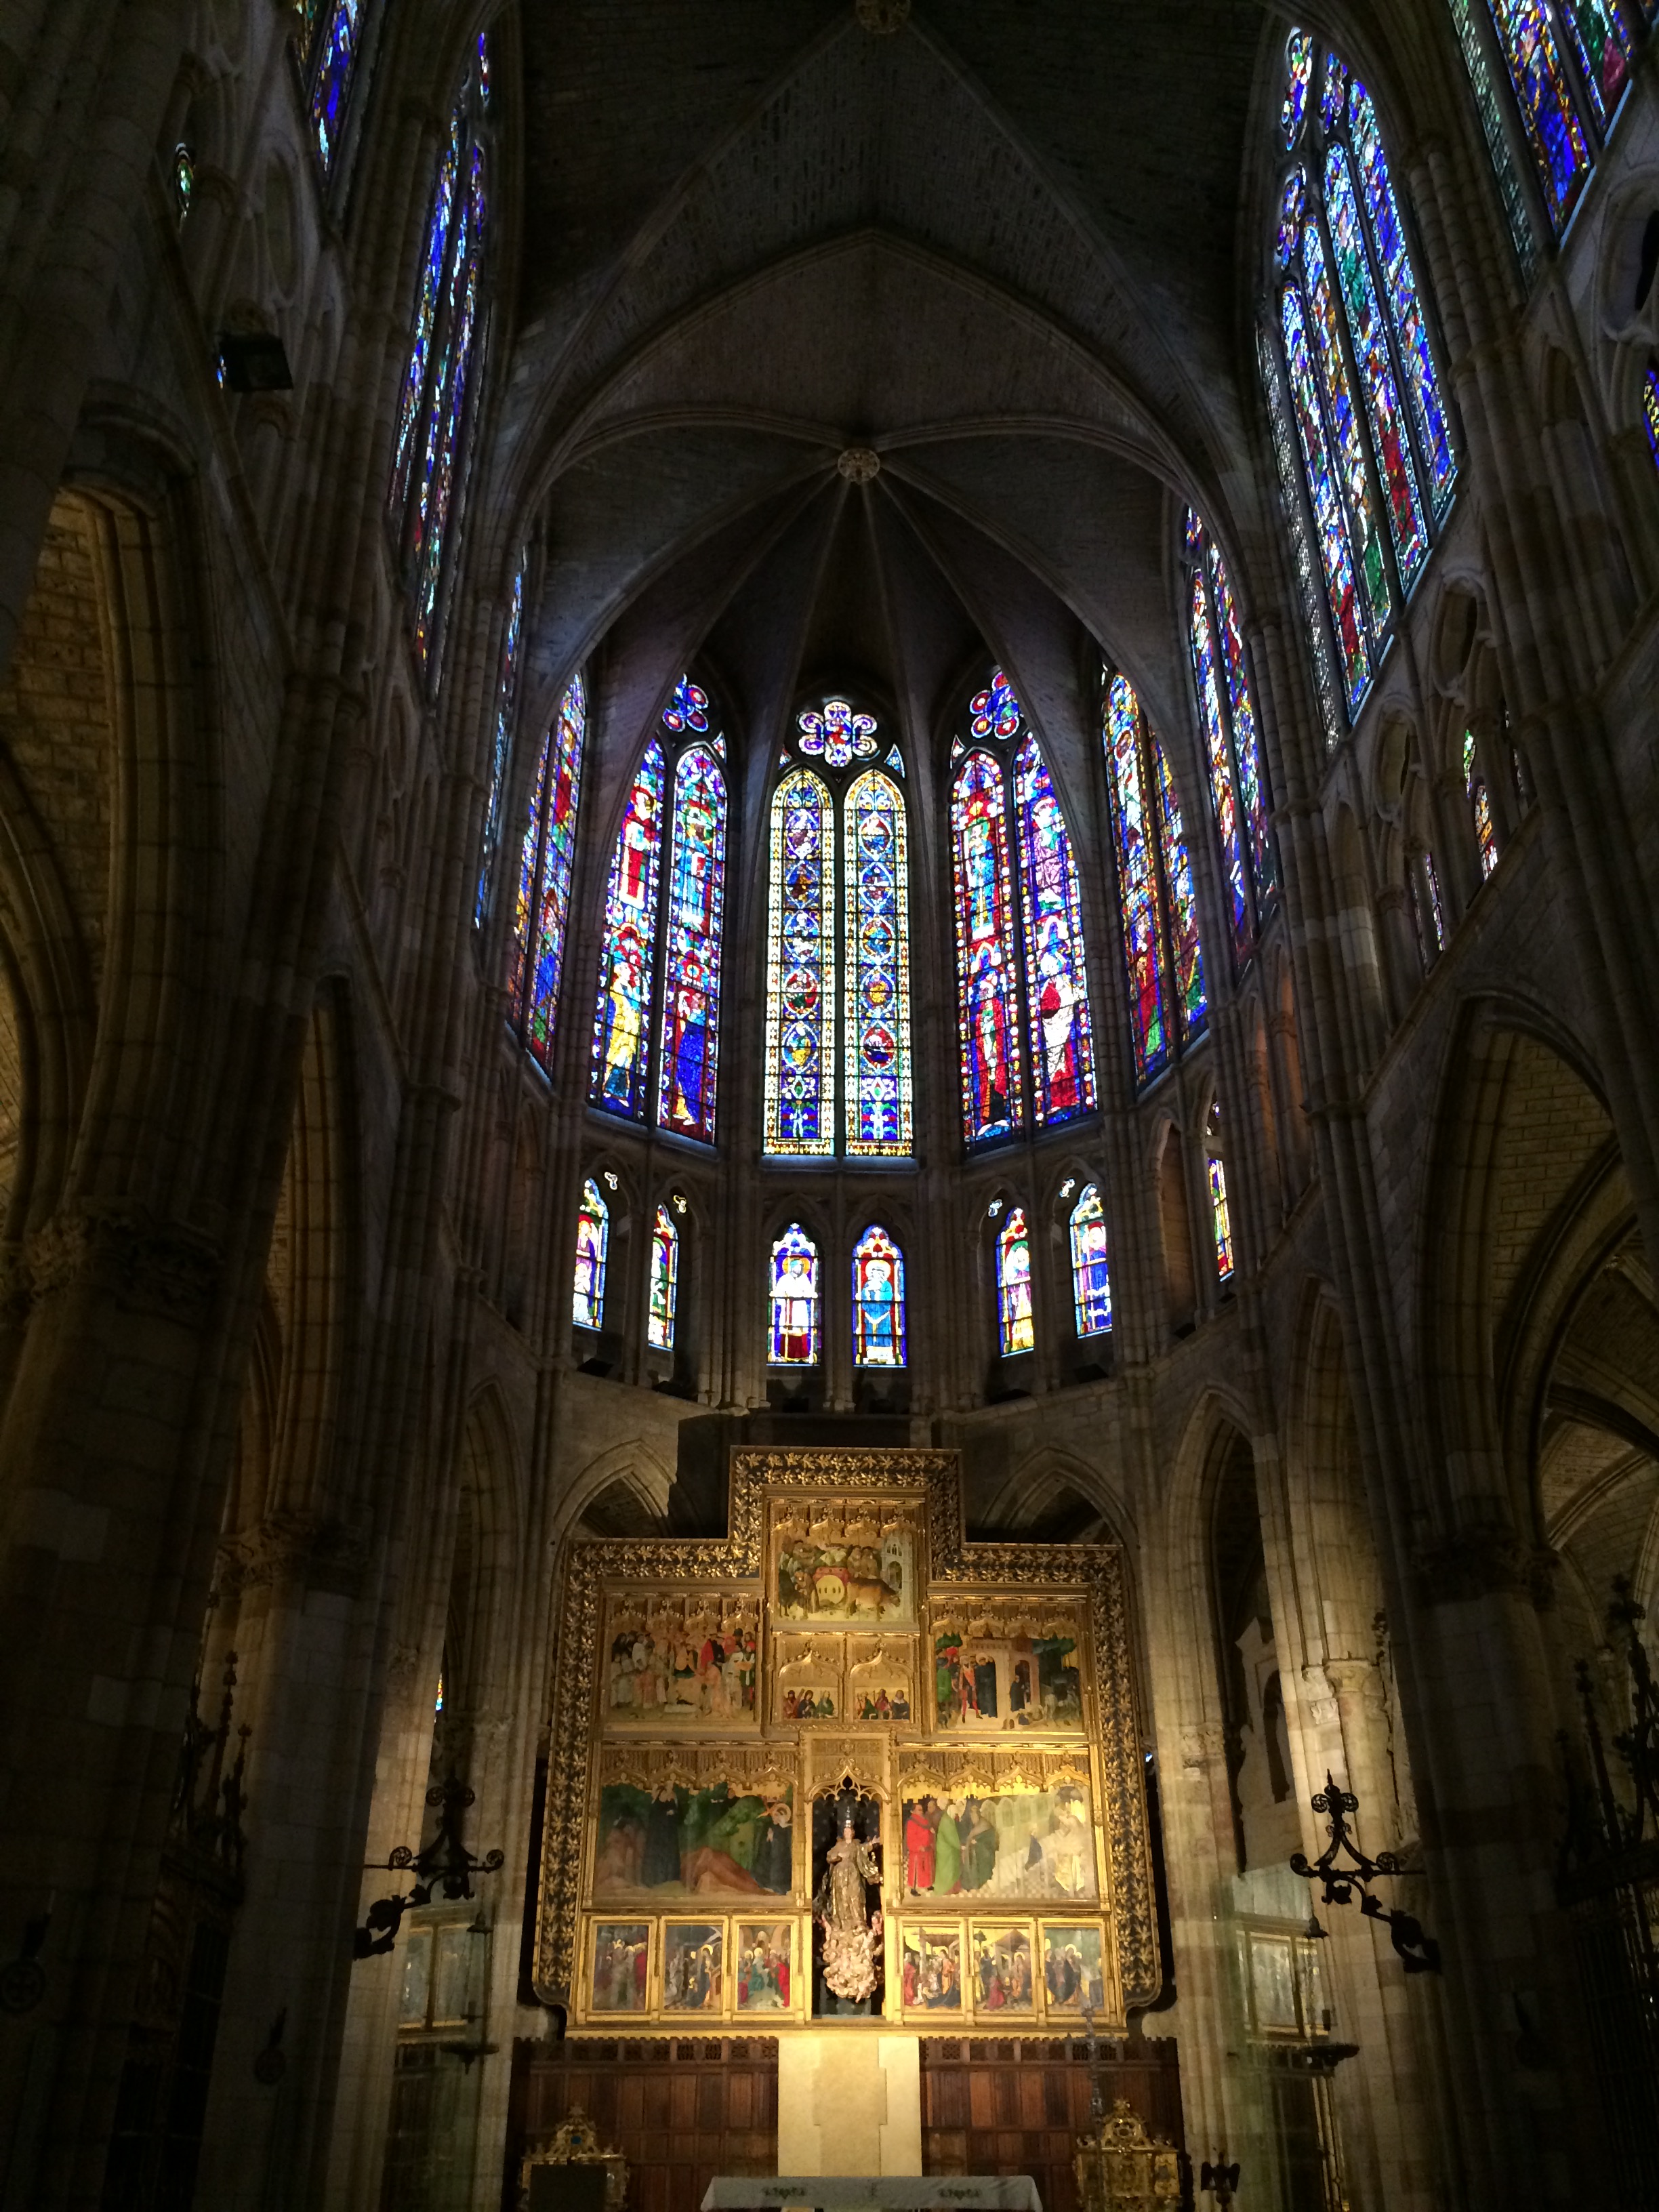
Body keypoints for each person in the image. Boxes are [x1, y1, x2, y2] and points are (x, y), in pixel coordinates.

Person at [815, 1814, 882, 2003]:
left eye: (850, 1831)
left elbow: (864, 1850)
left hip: (853, 1875)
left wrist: (873, 1844)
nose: (848, 1833)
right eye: (845, 1831)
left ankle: (858, 1922)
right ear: (843, 1833)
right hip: (839, 1878)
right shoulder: (839, 1846)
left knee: (855, 1899)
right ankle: (841, 1922)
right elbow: (829, 1856)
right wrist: (835, 1858)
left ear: (853, 1832)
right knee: (840, 1902)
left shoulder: (856, 1846)